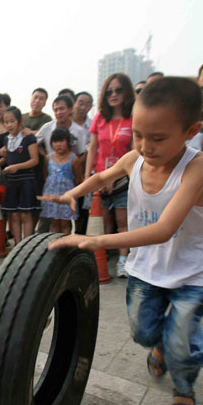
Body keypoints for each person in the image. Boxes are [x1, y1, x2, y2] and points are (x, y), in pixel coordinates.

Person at [43, 77, 203, 405]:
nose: (145, 146)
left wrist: (94, 241)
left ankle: (184, 387)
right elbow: (102, 178)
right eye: (140, 135)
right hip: (148, 267)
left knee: (181, 342)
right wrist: (74, 193)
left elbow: (164, 229)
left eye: (158, 138)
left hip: (194, 269)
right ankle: (164, 345)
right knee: (143, 332)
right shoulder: (135, 158)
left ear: (190, 132)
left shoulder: (198, 166)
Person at [86, 73, 135, 278]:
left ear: (126, 92)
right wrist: (87, 178)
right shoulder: (99, 117)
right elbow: (92, 149)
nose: (113, 95)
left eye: (118, 90)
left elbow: (134, 152)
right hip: (100, 178)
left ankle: (123, 262)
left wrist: (118, 178)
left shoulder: (133, 117)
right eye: (109, 91)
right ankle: (101, 261)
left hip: (124, 179)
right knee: (104, 222)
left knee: (123, 223)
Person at [0, 106, 39, 243]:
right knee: (13, 215)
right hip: (12, 181)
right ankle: (17, 246)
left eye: (12, 121)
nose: (9, 125)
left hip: (26, 180)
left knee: (26, 215)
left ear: (19, 121)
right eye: (6, 122)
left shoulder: (29, 138)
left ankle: (26, 246)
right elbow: (8, 157)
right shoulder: (7, 140)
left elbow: (34, 160)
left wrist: (17, 167)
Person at [39, 127, 82, 233]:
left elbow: (78, 178)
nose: (58, 144)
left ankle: (65, 247)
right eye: (55, 141)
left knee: (65, 224)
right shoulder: (48, 158)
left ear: (68, 141)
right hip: (52, 196)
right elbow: (46, 175)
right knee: (54, 224)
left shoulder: (74, 159)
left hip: (66, 196)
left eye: (61, 141)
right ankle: (55, 246)